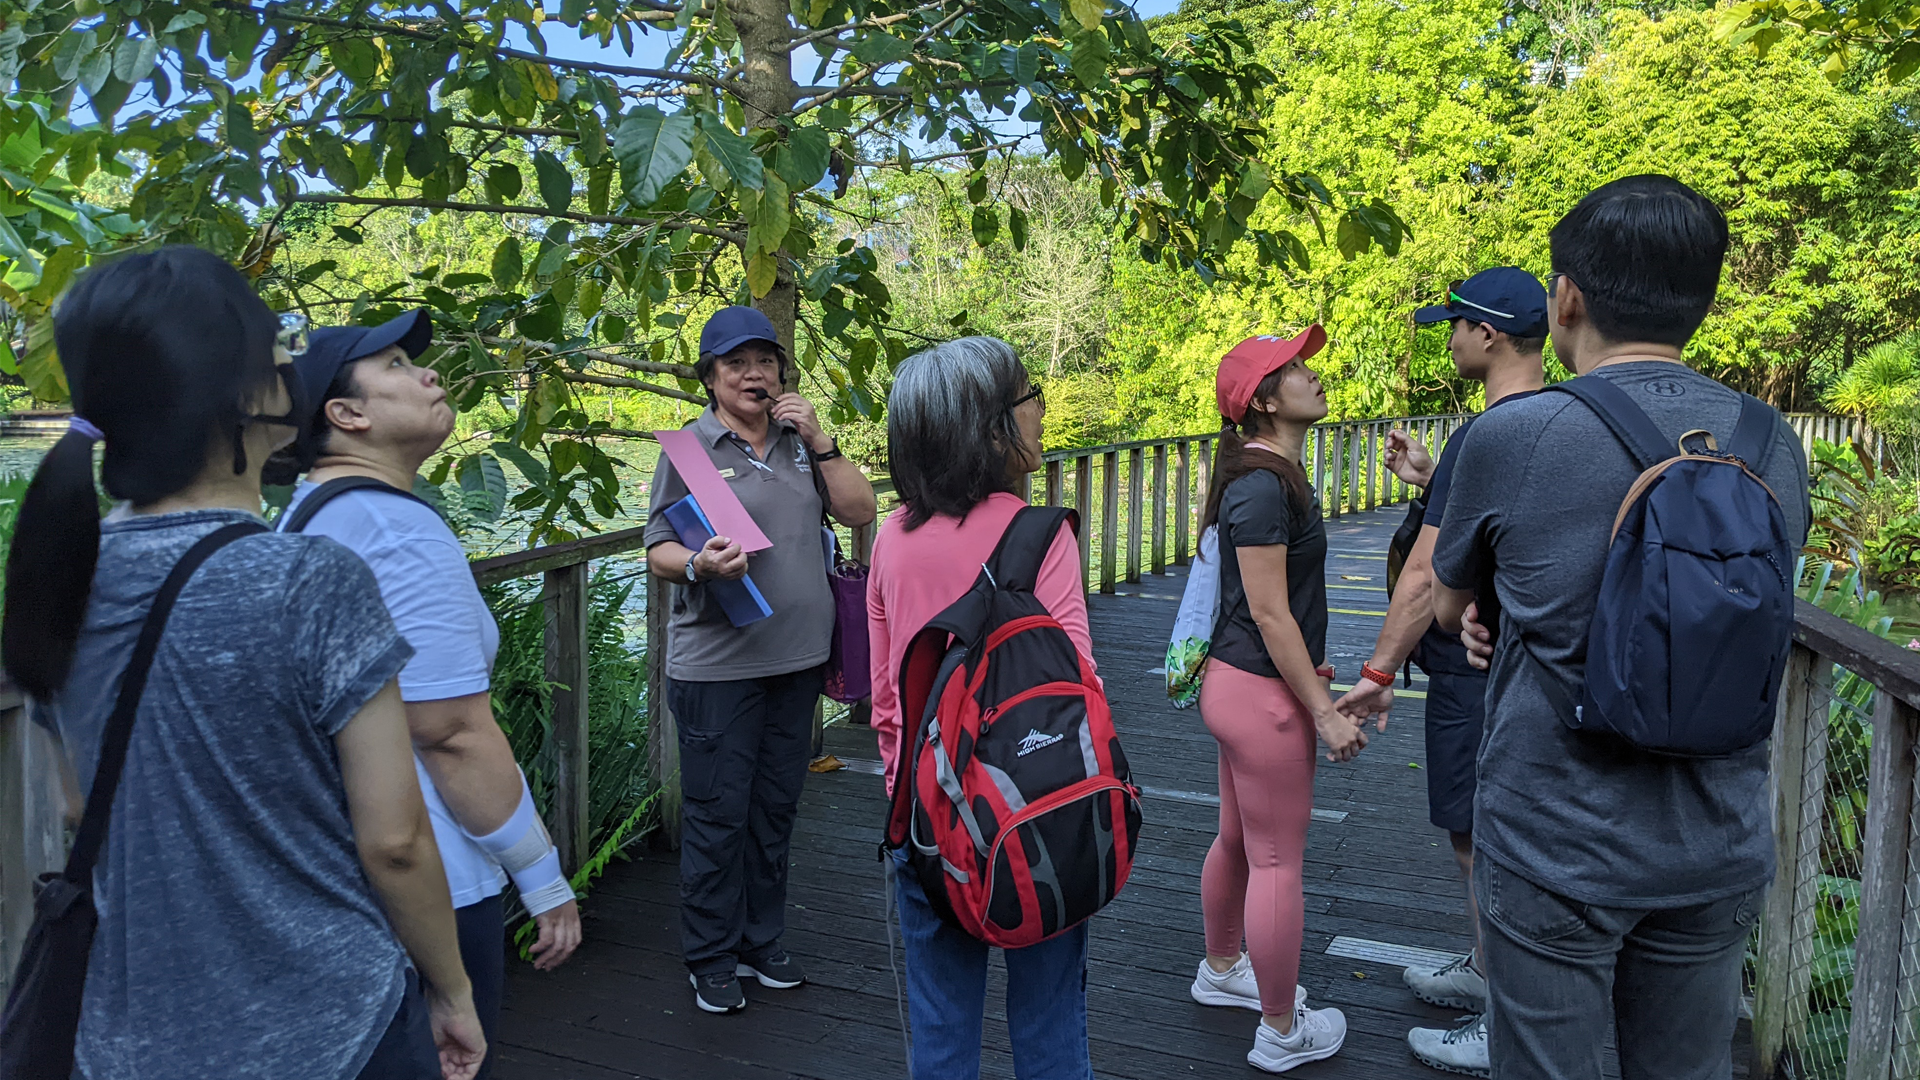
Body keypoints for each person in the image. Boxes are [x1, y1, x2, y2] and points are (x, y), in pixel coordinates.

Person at [3, 247, 484, 1079]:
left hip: (124, 1037)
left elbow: (75, 799)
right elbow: (396, 841)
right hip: (329, 1029)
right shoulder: (311, 579)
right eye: (281, 348)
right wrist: (452, 992)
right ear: (245, 396)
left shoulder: (57, 574)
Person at [1429, 175, 1811, 1080]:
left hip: (1556, 839)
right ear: (1702, 303)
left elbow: (1448, 608)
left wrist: (1493, 610)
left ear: (1566, 301)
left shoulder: (1517, 433)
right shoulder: (1769, 441)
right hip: (1717, 840)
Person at [266, 309, 583, 1079]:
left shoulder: (304, 519)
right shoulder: (395, 530)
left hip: (330, 878)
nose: (430, 374)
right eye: (399, 367)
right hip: (430, 882)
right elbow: (450, 733)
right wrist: (543, 879)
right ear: (347, 415)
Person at [1332, 268, 1548, 1077]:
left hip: (1475, 665)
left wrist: (1377, 670)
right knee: (1480, 829)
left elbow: (1426, 576)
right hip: (1517, 662)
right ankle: (1488, 973)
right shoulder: (1549, 419)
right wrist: (1431, 480)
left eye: (1454, 324)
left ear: (1489, 336)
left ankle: (1509, 1017)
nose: (1449, 336)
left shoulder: (1488, 431)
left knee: (1480, 838)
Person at [866, 336, 1098, 1080]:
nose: (1038, 409)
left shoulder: (891, 541)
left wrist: (910, 800)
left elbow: (886, 699)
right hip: (1033, 815)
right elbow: (1077, 686)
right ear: (991, 424)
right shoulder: (1039, 536)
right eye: (1028, 395)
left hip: (926, 818)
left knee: (939, 1023)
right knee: (1049, 1016)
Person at [643, 306, 877, 1014]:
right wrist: (699, 565)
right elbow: (658, 548)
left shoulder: (799, 443)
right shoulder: (689, 450)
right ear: (710, 378)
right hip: (718, 668)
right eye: (736, 363)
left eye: (766, 361)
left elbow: (862, 512)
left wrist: (822, 439)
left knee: (776, 809)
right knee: (719, 814)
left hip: (798, 663)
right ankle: (710, 956)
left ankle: (759, 942)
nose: (755, 374)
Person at [1187, 329, 1372, 1074]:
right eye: (1294, 369)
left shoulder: (1269, 475)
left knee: (1238, 838)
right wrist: (1323, 710)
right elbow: (1269, 614)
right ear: (1265, 400)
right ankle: (1280, 1028)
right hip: (1259, 696)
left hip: (1237, 685)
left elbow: (1274, 607)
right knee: (1276, 863)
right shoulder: (1263, 487)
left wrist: (1314, 676)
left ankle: (1223, 968)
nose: (1312, 374)